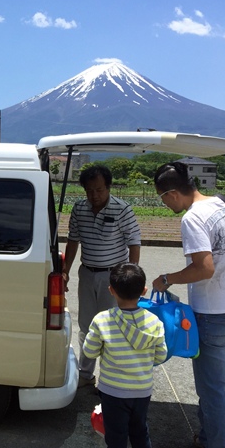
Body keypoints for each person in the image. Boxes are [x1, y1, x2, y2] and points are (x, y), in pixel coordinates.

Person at [152, 162, 225, 448]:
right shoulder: (223, 203)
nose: (166, 205)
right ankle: (209, 441)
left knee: (212, 391)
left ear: (173, 193)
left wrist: (167, 278)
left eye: (163, 198)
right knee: (213, 385)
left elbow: (204, 268)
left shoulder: (192, 217)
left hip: (214, 314)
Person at [83, 262, 166, 448]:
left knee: (116, 440)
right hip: (141, 391)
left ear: (111, 290)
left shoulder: (103, 320)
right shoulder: (154, 322)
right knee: (141, 433)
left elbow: (89, 350)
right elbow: (160, 356)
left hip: (112, 392)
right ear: (143, 291)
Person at [62, 165, 141, 388]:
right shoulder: (79, 209)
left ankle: (110, 379)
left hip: (113, 278)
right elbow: (73, 241)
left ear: (108, 187)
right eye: (89, 191)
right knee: (87, 326)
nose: (94, 195)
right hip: (87, 274)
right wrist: (66, 271)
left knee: (113, 328)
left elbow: (134, 242)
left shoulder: (122, 210)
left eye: (99, 190)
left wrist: (130, 278)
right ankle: (85, 375)